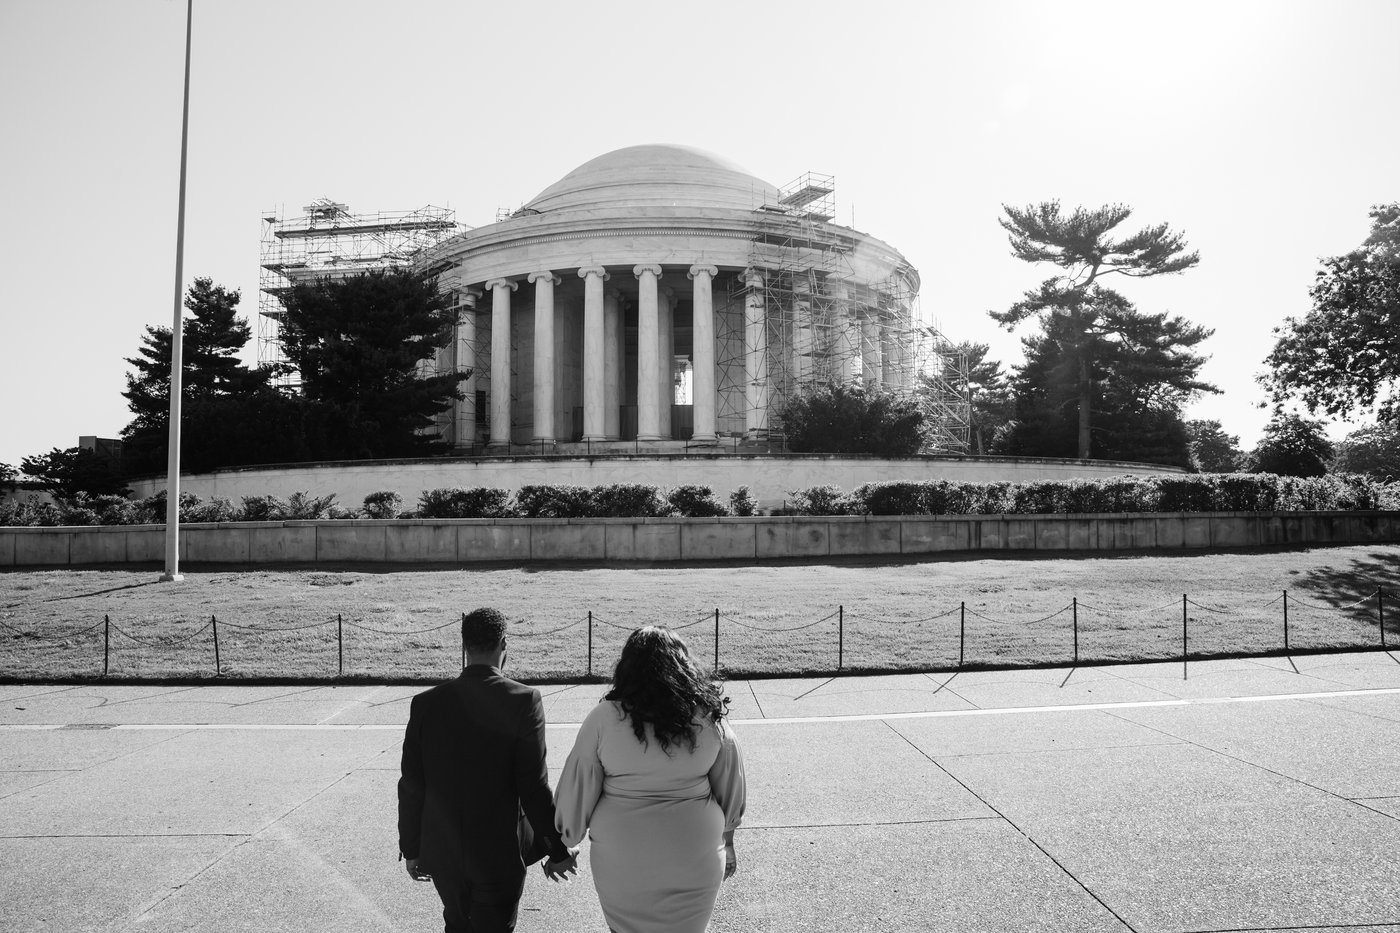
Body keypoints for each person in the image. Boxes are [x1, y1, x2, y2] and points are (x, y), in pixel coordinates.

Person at [554, 626, 746, 933]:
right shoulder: (709, 717)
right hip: (695, 854)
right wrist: (730, 841)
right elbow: (731, 787)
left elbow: (578, 786)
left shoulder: (604, 717)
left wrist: (563, 843)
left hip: (623, 860)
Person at [398, 607, 579, 933]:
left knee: (455, 924)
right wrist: (558, 849)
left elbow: (411, 784)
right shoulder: (523, 701)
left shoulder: (425, 704)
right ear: (504, 645)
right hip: (499, 854)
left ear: (465, 646)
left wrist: (411, 847)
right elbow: (534, 787)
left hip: (444, 853)